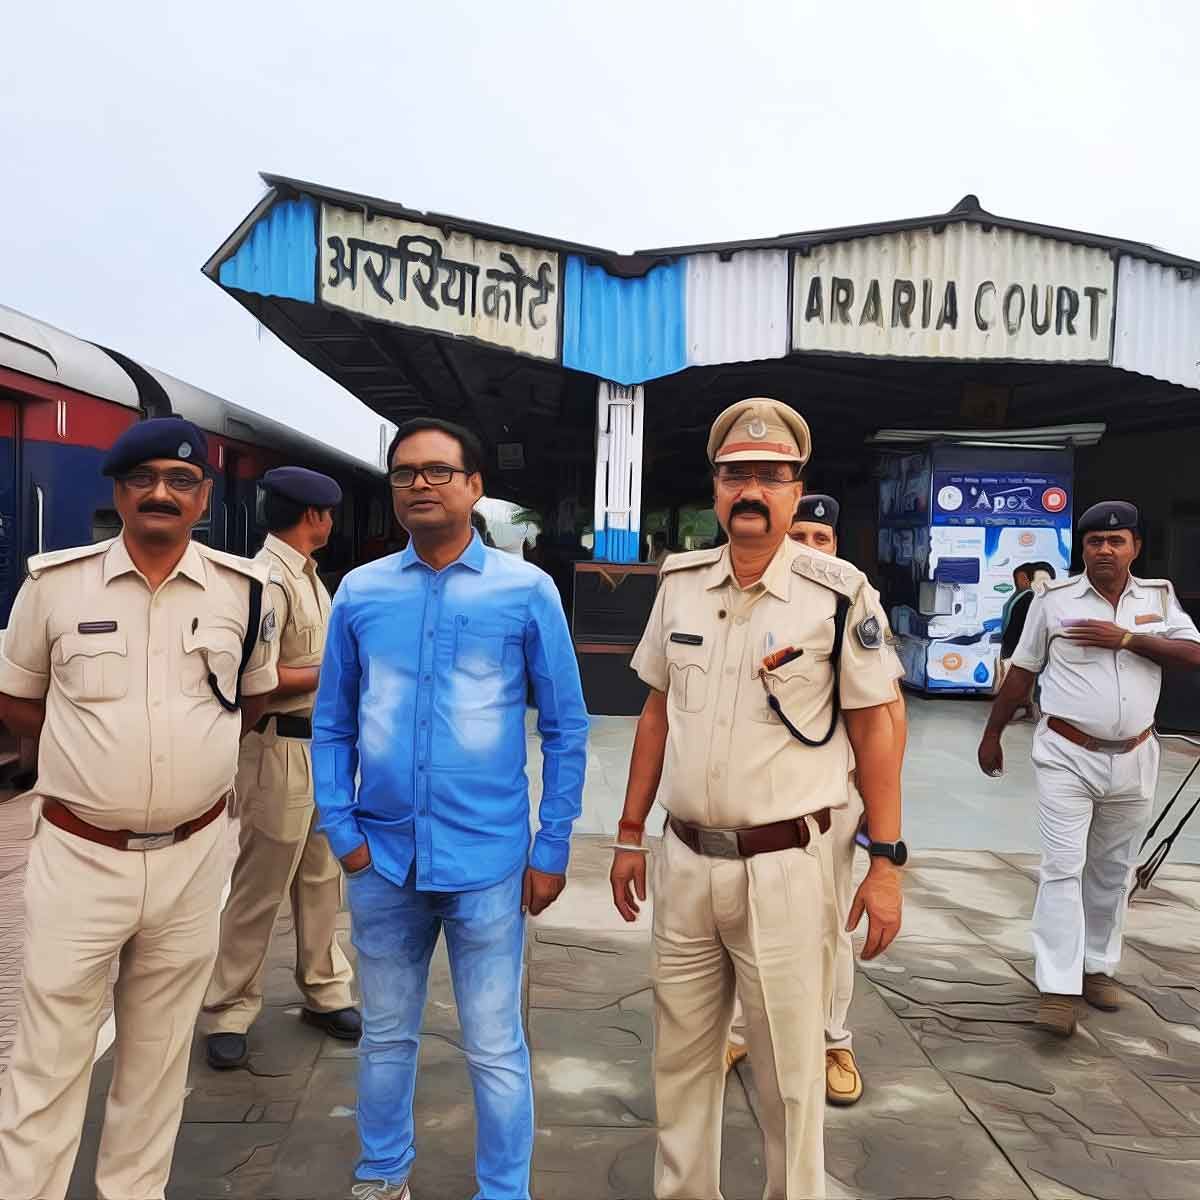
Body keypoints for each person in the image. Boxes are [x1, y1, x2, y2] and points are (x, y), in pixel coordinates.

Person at [609, 399, 907, 1200]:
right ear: (715, 487)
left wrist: (886, 861)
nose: (751, 490)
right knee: (681, 1059)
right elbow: (656, 712)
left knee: (789, 1073)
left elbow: (877, 728)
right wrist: (630, 833)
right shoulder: (679, 585)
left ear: (795, 489)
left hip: (788, 867)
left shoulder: (838, 593)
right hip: (684, 860)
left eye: (771, 476)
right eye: (736, 474)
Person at [0, 417, 279, 1200]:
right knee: (49, 1058)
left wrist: (186, 771)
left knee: (158, 1058)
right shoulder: (54, 586)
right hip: (80, 857)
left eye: (181, 480)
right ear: (118, 493)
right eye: (143, 478)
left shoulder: (243, 592)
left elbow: (249, 703)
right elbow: (18, 701)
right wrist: (98, 766)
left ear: (205, 499)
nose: (162, 492)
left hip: (194, 858)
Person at [312, 417, 589, 1200]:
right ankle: (382, 1174)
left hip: (488, 862)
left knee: (495, 1045)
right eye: (404, 473)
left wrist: (551, 845)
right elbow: (332, 722)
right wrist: (342, 830)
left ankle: (503, 1190)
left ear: (474, 486)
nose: (420, 485)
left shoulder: (525, 592)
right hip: (382, 860)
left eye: (438, 471)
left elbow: (566, 726)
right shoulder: (361, 592)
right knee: (385, 1036)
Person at [978, 501, 1200, 1037]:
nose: (1105, 549)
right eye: (1095, 541)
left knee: (1113, 869)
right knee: (1063, 866)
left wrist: (1128, 639)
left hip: (1136, 755)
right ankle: (1058, 987)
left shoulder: (1158, 598)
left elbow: (1193, 653)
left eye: (1116, 541)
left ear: (1135, 548)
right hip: (1067, 754)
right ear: (1082, 549)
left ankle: (1097, 966)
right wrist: (992, 733)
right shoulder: (1052, 600)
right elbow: (1023, 671)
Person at [725, 493, 907, 1108]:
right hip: (753, 798)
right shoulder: (754, 599)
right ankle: (739, 1033)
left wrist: (880, 811)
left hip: (828, 799)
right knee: (739, 917)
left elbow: (889, 715)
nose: (808, 547)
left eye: (820, 538)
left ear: (836, 545)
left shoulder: (847, 601)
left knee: (827, 922)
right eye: (797, 535)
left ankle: (833, 1041)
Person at [201, 467, 359, 1069]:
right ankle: (228, 1008)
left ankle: (325, 988)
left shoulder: (308, 577)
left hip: (320, 750)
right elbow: (258, 680)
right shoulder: (267, 581)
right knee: (260, 885)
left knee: (321, 877)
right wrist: (339, 669)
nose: (331, 522)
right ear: (314, 516)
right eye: (328, 513)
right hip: (278, 750)